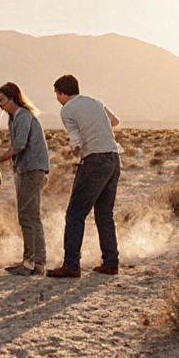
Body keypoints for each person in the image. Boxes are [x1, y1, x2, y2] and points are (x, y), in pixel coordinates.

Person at [46, 74, 122, 278]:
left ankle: (71, 265)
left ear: (62, 93)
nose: (56, 98)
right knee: (104, 213)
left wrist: (74, 151)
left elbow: (76, 139)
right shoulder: (95, 102)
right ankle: (111, 262)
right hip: (114, 157)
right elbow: (114, 121)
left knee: (75, 214)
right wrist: (97, 127)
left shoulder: (67, 109)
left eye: (56, 94)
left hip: (94, 159)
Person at [0, 81, 50, 277]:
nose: (0, 104)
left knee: (28, 216)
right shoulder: (15, 118)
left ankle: (32, 261)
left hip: (31, 169)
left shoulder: (23, 117)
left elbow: (19, 145)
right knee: (30, 215)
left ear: (12, 98)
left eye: (2, 100)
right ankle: (35, 261)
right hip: (27, 168)